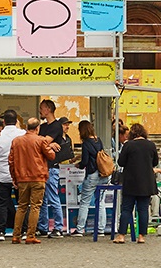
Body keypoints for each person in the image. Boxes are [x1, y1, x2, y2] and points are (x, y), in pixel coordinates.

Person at [8, 117, 58, 244]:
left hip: (22, 178)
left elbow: (11, 161)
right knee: (35, 206)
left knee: (21, 206)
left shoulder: (16, 141)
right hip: (38, 177)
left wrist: (14, 178)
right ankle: (30, 235)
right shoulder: (40, 140)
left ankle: (16, 235)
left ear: (26, 127)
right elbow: (51, 156)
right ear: (38, 128)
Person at [113, 122, 158, 244]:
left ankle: (121, 235)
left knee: (127, 209)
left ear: (132, 134)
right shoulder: (151, 145)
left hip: (131, 181)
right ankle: (141, 236)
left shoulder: (128, 145)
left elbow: (121, 162)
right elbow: (155, 162)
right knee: (143, 209)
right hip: (146, 182)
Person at [73, 119, 107, 236]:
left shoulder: (86, 143)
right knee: (100, 202)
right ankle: (101, 229)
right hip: (102, 175)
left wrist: (79, 165)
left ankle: (80, 229)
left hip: (92, 174)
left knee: (85, 202)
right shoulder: (99, 140)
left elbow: (86, 161)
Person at [37, 99, 66, 237]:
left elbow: (41, 142)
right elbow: (38, 143)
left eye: (42, 108)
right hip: (41, 167)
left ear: (48, 109)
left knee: (53, 197)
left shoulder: (56, 126)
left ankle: (58, 227)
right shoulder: (42, 127)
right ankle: (43, 226)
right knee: (42, 199)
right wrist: (49, 145)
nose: (40, 111)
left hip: (52, 167)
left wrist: (47, 144)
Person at [0, 109, 24, 241]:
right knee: (22, 203)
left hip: (2, 174)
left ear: (4, 121)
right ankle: (22, 230)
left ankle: (1, 231)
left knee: (2, 203)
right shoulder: (22, 134)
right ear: (17, 120)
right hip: (20, 174)